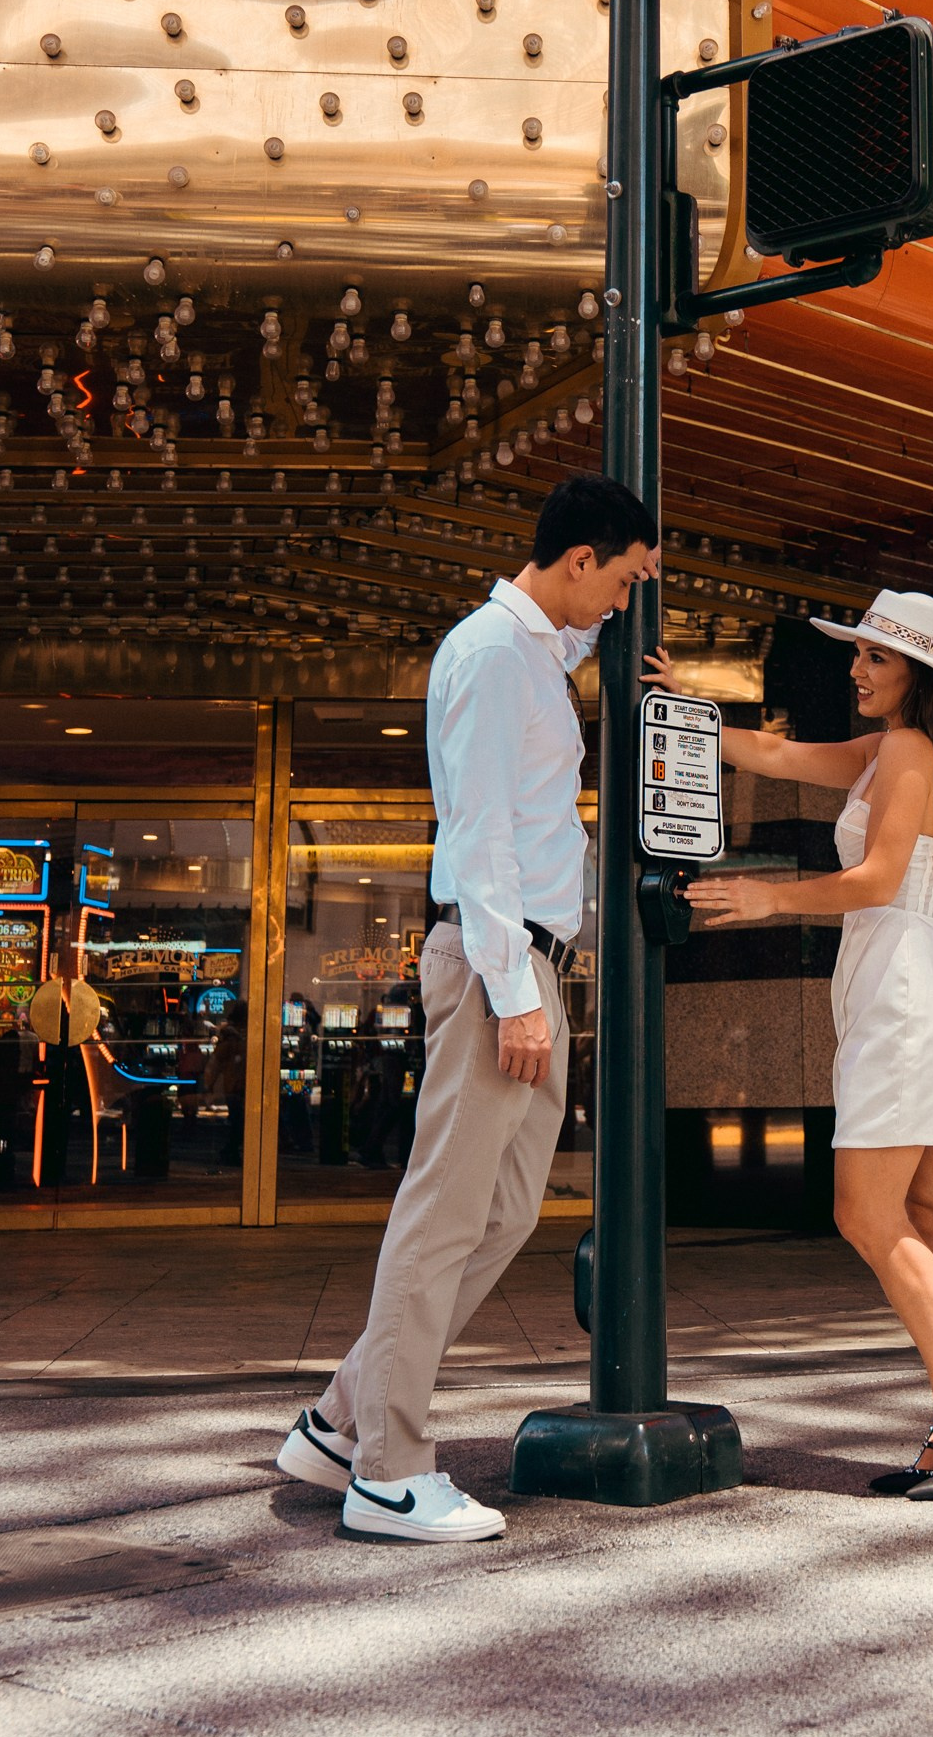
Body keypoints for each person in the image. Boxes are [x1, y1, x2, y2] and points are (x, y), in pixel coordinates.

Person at [277, 472, 658, 1543]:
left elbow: (565, 655)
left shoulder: (530, 652)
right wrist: (511, 992)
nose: (624, 606)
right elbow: (481, 832)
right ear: (580, 560)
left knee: (504, 1212)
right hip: (502, 965)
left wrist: (625, 648)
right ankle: (389, 1471)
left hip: (528, 967)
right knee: (444, 1217)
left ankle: (338, 1421)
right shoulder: (493, 657)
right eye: (623, 582)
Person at [651, 588, 933, 1501]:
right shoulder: (896, 750)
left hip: (904, 996)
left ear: (916, 673)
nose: (856, 669)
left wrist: (770, 898)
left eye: (876, 658)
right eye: (858, 654)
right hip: (916, 990)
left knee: (865, 1212)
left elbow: (880, 878)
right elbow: (773, 751)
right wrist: (688, 706)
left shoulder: (912, 752)